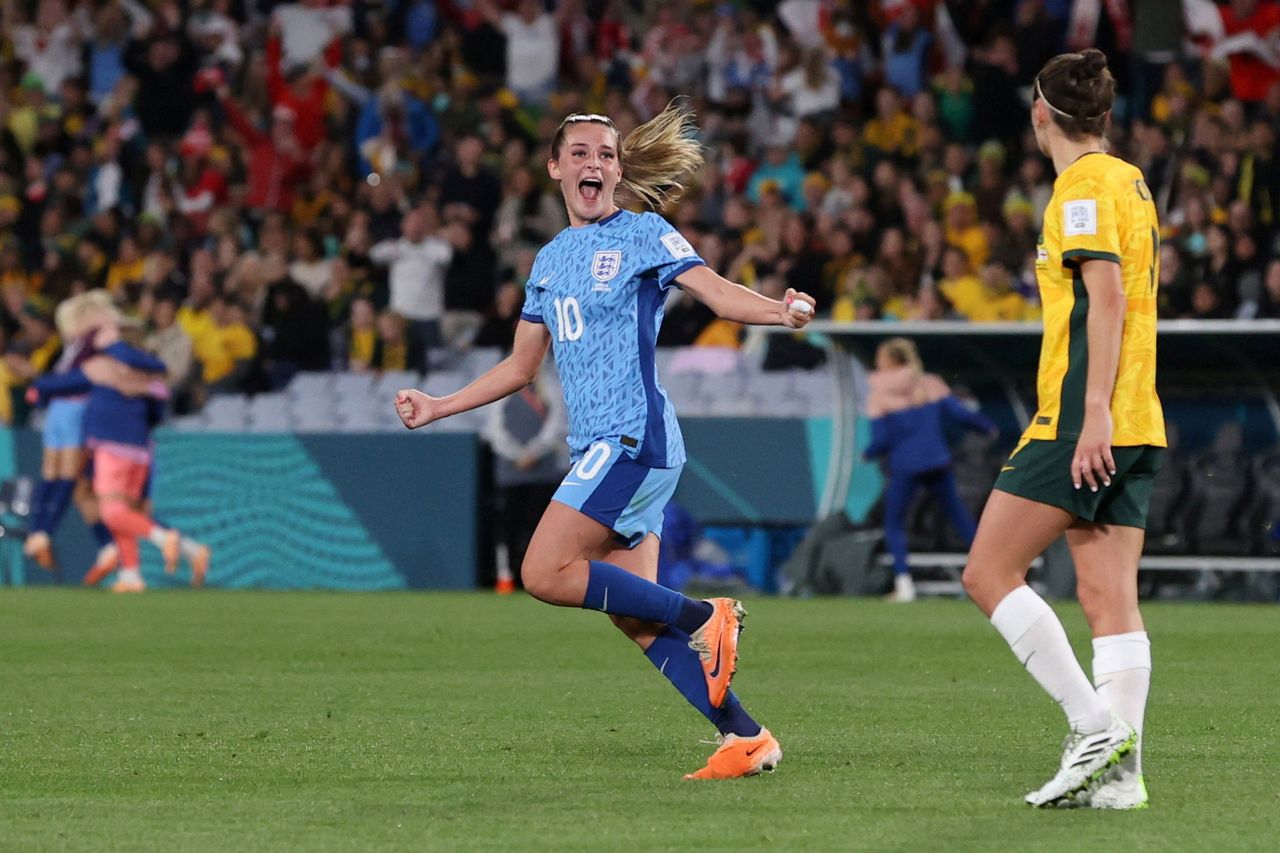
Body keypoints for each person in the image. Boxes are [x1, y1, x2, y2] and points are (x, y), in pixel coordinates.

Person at [394, 102, 816, 780]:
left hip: (631, 436)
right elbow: (521, 367)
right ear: (556, 166)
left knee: (540, 571)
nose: (595, 163)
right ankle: (747, 736)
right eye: (582, 153)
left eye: (607, 154)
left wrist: (779, 310)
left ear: (620, 170)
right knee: (632, 614)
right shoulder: (550, 258)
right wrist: (440, 404)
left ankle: (709, 614)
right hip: (601, 445)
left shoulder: (644, 233)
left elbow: (714, 292)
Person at [960, 50, 1165, 810]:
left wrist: (1092, 417)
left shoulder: (1079, 187)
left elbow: (1104, 298)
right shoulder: (1130, 181)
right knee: (1109, 597)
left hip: (1083, 416)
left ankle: (1091, 727)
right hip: (1139, 411)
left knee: (986, 572)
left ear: (1040, 113)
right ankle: (1122, 777)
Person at [33, 308, 211, 593]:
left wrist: (36, 388)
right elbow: (157, 413)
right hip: (141, 451)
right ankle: (132, 573)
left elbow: (60, 383)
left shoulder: (104, 367)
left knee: (112, 512)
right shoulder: (150, 373)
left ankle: (165, 539)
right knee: (126, 511)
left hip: (111, 448)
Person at [864, 337, 996, 603]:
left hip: (906, 465)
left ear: (889, 361)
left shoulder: (879, 394)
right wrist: (988, 427)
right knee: (960, 519)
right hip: (937, 461)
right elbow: (961, 415)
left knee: (894, 523)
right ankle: (989, 577)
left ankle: (904, 585)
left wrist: (867, 453)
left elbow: (882, 440)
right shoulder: (929, 383)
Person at [22, 291, 121, 579]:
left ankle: (42, 533)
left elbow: (88, 377)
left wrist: (43, 387)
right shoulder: (73, 345)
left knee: (69, 478)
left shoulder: (99, 340)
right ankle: (106, 545)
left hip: (78, 411)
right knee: (70, 484)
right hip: (59, 411)